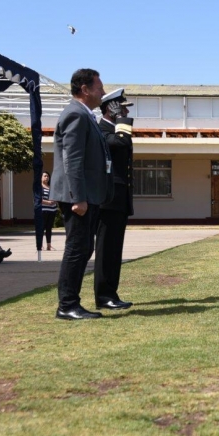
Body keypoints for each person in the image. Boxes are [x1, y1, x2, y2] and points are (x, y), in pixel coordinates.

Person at [50, 68, 113, 321]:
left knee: (83, 247)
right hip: (77, 197)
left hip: (88, 195)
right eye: (99, 88)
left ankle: (71, 302)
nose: (103, 92)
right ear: (85, 89)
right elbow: (72, 160)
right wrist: (78, 197)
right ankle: (67, 305)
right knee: (76, 249)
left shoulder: (85, 115)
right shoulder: (75, 115)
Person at [93, 88, 135, 310]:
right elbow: (121, 144)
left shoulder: (115, 130)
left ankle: (111, 293)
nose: (126, 111)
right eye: (122, 107)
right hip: (108, 200)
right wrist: (121, 120)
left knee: (114, 249)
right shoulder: (102, 130)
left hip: (118, 199)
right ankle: (103, 296)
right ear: (111, 109)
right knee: (106, 249)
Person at [41, 171, 58, 251]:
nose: (46, 177)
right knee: (42, 227)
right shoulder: (39, 187)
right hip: (43, 210)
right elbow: (37, 199)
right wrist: (48, 202)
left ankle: (49, 245)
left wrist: (55, 201)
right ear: (41, 178)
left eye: (47, 176)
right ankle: (40, 245)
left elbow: (56, 196)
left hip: (52, 210)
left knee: (49, 228)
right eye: (44, 176)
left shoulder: (51, 187)